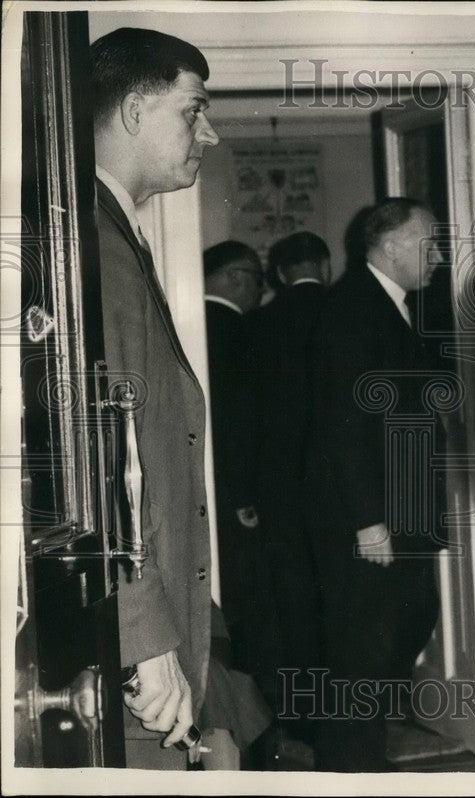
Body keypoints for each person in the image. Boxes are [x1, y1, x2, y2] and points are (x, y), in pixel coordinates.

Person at [91, 27, 219, 767]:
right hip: (139, 651)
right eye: (193, 109)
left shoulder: (119, 234)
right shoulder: (95, 249)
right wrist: (145, 635)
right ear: (136, 111)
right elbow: (102, 452)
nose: (210, 131)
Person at [301, 199, 448, 771]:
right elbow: (344, 425)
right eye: (427, 243)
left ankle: (362, 762)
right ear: (390, 247)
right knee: (361, 656)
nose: (436, 256)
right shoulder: (351, 309)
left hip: (400, 513)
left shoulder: (394, 307)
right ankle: (351, 771)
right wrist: (368, 523)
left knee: (404, 626)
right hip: (371, 519)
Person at [245, 231, 331, 740]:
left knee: (293, 600)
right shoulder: (347, 311)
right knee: (342, 599)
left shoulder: (256, 325)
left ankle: (304, 713)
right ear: (324, 264)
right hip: (339, 485)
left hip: (279, 485)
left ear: (277, 273)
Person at [202, 240, 280, 709]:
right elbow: (241, 425)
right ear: (232, 276)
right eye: (256, 277)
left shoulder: (190, 323)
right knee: (249, 612)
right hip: (239, 496)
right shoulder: (241, 332)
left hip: (211, 489)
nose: (261, 289)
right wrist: (246, 496)